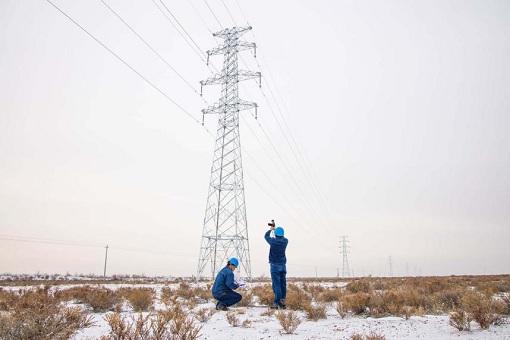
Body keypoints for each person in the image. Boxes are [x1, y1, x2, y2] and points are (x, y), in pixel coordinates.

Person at [264, 223, 288, 309]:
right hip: (283, 265)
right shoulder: (285, 241)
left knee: (277, 285)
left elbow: (266, 236)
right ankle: (283, 302)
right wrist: (276, 231)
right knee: (283, 285)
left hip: (275, 265)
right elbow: (282, 238)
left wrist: (271, 229)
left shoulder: (273, 242)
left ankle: (277, 303)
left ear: (276, 234)